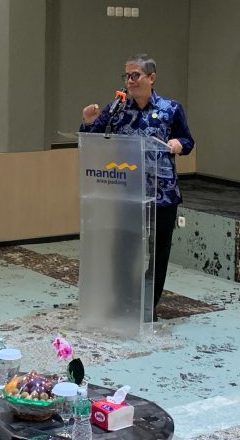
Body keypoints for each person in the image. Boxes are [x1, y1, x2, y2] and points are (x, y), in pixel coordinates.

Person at [80, 55, 194, 311]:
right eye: (127, 76)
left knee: (158, 254)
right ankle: (122, 303)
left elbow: (188, 141)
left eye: (135, 75)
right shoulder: (116, 109)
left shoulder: (170, 109)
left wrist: (179, 144)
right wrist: (88, 121)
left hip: (162, 194)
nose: (130, 81)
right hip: (126, 193)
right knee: (122, 251)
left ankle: (147, 306)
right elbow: (92, 140)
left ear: (151, 78)